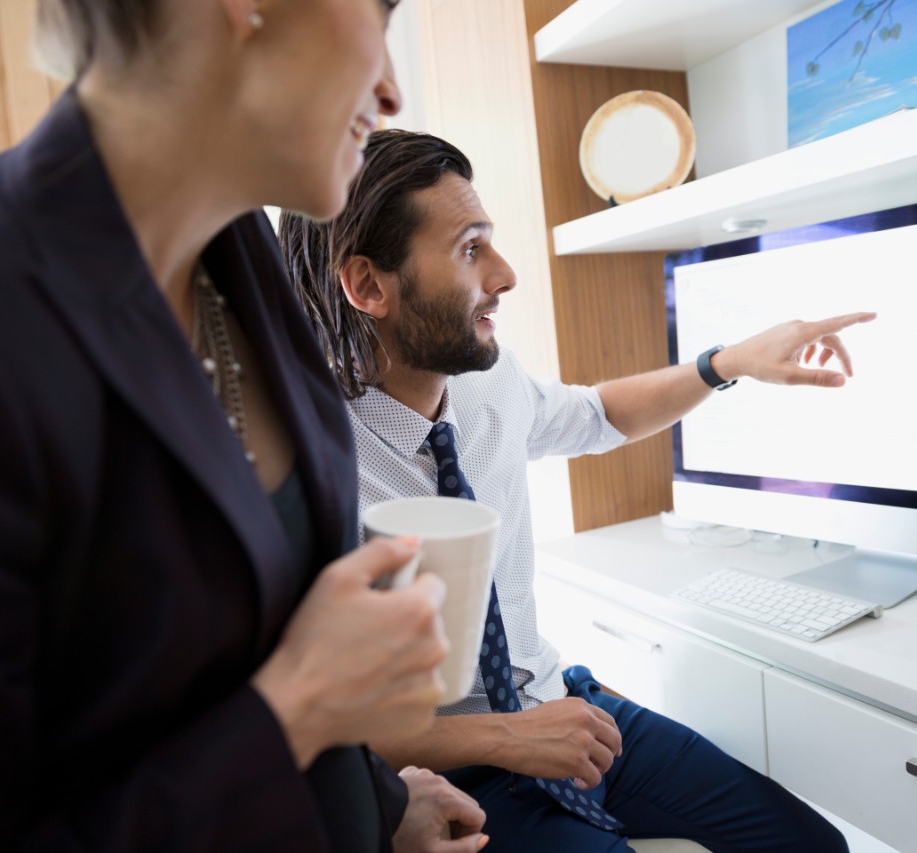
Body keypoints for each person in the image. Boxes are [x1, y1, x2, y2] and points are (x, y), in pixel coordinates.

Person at [0, 3, 487, 851]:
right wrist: (299, 711)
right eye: (379, 13)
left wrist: (376, 802)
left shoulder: (245, 258)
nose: (390, 87)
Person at [280, 129, 876, 853]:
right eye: (471, 249)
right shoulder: (298, 468)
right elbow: (307, 718)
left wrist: (728, 362)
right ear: (369, 285)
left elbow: (597, 414)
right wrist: (507, 736)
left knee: (812, 846)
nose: (505, 274)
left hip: (562, 707)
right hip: (444, 770)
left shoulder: (489, 381)